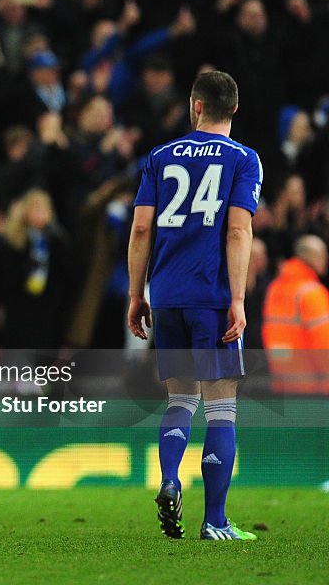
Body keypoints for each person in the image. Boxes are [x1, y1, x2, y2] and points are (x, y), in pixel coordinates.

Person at [127, 71, 261, 541]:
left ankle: (168, 479)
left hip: (167, 295)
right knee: (221, 406)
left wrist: (135, 294)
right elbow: (239, 230)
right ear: (234, 109)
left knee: (180, 399)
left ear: (196, 106)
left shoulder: (159, 157)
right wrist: (239, 299)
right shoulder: (244, 159)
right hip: (213, 297)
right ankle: (215, 521)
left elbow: (141, 229)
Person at [262, 235, 329, 394]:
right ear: (313, 257)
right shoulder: (311, 293)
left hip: (281, 381)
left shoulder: (275, 288)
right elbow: (323, 342)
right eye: (323, 255)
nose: (326, 260)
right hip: (311, 385)